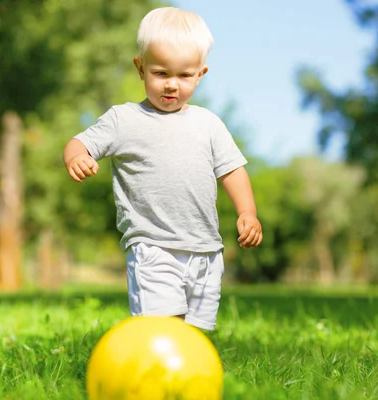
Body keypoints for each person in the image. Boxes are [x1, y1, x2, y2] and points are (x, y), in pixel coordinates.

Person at [62, 7, 262, 331]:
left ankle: (184, 381)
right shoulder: (123, 120)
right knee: (164, 327)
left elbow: (232, 170)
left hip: (206, 251)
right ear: (140, 68)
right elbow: (77, 142)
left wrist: (247, 212)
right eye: (160, 73)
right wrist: (76, 157)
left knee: (196, 334)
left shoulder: (208, 124)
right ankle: (154, 378)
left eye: (184, 75)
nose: (172, 85)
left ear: (201, 74)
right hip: (152, 246)